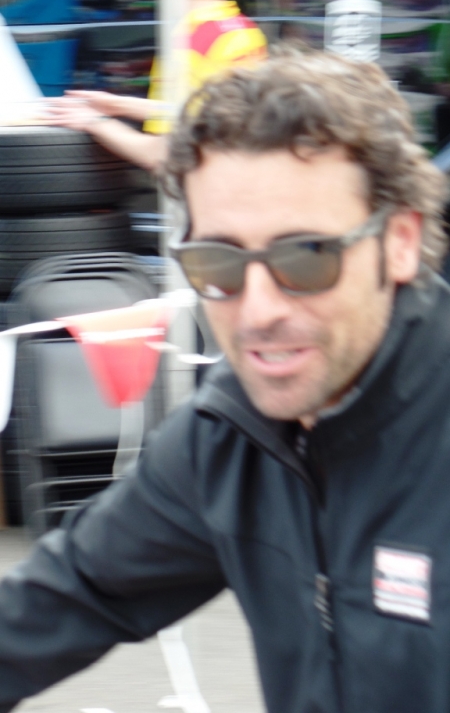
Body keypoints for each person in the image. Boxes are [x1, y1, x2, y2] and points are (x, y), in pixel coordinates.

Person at [0, 45, 448, 713]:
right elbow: (74, 589)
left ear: (401, 242)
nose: (259, 310)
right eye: (219, 263)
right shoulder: (232, 435)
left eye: (307, 257)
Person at [42, 0, 267, 172]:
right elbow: (195, 112)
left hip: (207, 181)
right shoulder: (244, 29)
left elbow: (165, 154)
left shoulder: (190, 43)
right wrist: (118, 104)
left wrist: (95, 122)